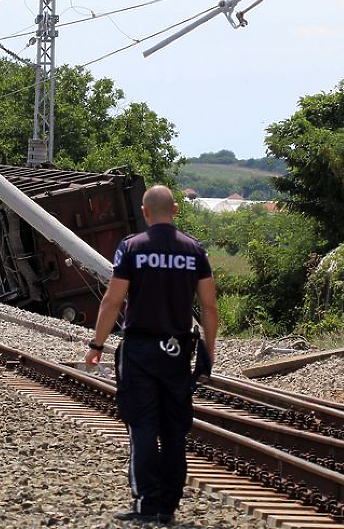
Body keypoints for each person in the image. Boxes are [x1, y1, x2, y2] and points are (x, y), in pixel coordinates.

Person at [85, 184, 218, 524]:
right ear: (175, 209)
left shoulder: (132, 248)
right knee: (174, 428)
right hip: (177, 352)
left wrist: (97, 345)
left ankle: (147, 504)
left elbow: (112, 301)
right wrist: (209, 352)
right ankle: (169, 507)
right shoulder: (195, 251)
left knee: (142, 425)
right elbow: (209, 307)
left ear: (145, 212)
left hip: (140, 351)